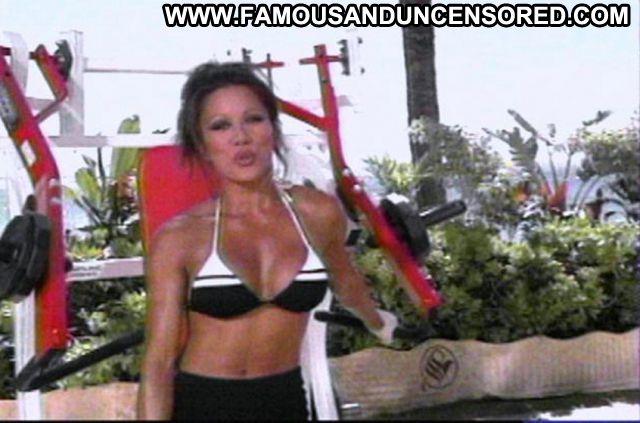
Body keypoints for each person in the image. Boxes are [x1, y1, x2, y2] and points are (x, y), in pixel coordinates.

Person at [136, 62, 398, 420]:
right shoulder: (181, 238)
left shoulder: (317, 213)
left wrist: (378, 321)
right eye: (220, 126)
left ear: (273, 128)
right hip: (203, 406)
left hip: (285, 402)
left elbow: (345, 281)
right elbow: (159, 363)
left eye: (254, 119)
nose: (240, 137)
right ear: (202, 145)